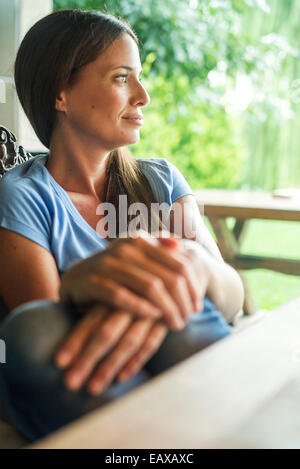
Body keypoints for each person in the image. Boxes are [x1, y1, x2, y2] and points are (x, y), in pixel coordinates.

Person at [0, 9, 244, 442]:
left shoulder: (162, 180)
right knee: (37, 332)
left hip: (176, 343)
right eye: (121, 78)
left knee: (183, 316)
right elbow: (50, 325)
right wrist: (94, 282)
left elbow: (229, 297)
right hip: (91, 366)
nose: (143, 95)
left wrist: (196, 264)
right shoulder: (23, 196)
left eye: (139, 77)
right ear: (62, 93)